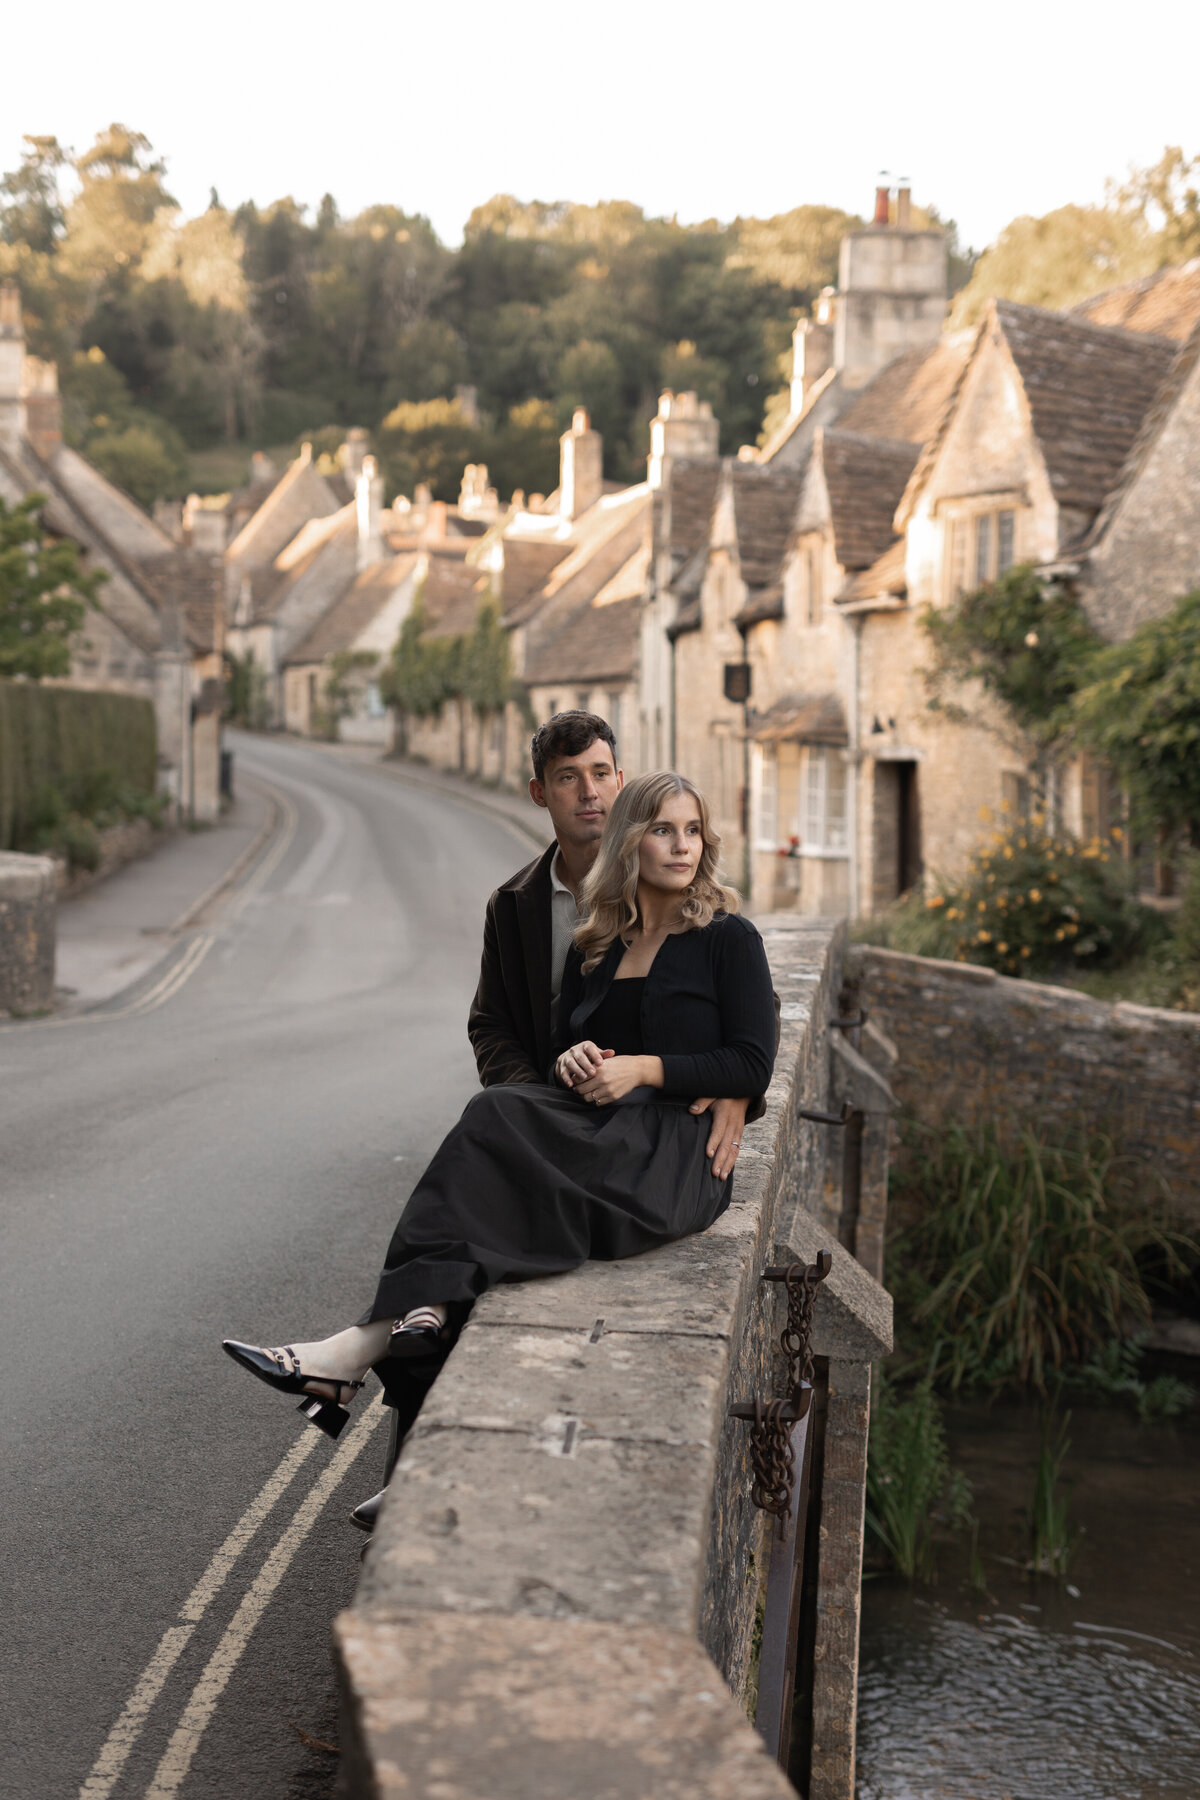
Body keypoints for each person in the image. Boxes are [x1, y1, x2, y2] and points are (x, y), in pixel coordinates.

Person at [223, 771, 776, 1451]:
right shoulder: (601, 943)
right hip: (603, 1128)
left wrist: (646, 1070)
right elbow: (570, 1053)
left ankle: (357, 1355)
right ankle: (397, 1344)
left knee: (491, 1183)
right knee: (492, 1118)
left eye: (692, 830)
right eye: (663, 829)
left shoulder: (729, 938)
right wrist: (572, 1060)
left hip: (672, 1156)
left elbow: (753, 1059)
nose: (682, 845)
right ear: (632, 841)